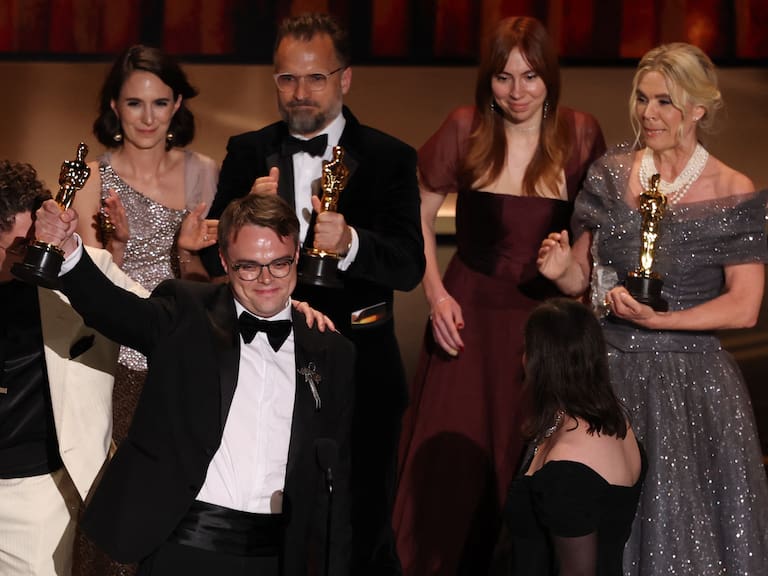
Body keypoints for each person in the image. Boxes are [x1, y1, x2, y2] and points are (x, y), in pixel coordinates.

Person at [198, 13, 424, 575]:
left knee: (364, 520)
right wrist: (237, 217)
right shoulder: (247, 152)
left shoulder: (391, 156)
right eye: (286, 79)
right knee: (273, 516)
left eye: (315, 78)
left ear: (345, 79)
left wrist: (351, 242)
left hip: (363, 365)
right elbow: (208, 256)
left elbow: (409, 266)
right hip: (260, 363)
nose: (299, 93)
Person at [537, 42, 768, 575]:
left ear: (699, 108)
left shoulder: (733, 190)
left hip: (694, 386)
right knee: (602, 528)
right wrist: (559, 271)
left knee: (683, 529)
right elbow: (583, 276)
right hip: (608, 375)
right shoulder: (611, 174)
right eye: (642, 99)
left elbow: (745, 307)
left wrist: (662, 321)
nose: (648, 113)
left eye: (665, 101)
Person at [35, 192, 355, 576]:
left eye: (279, 264)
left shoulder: (329, 350)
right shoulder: (188, 314)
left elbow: (337, 477)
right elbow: (114, 309)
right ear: (224, 261)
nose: (266, 280)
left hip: (276, 557)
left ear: (297, 257)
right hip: (184, 549)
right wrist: (68, 248)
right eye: (248, 267)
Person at [393, 16, 605, 575]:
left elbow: (585, 258)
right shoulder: (465, 127)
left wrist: (566, 276)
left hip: (543, 325)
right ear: (488, 80)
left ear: (550, 79)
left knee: (532, 460)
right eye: (504, 78)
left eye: (530, 77)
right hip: (466, 313)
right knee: (451, 463)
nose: (516, 92)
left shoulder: (581, 134)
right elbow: (415, 212)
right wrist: (435, 294)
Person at [70, 44, 219, 576]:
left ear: (178, 103)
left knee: (181, 502)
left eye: (160, 103)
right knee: (117, 499)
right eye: (135, 104)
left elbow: (212, 287)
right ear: (114, 106)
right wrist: (118, 248)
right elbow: (81, 288)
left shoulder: (206, 173)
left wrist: (187, 252)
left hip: (182, 357)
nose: (148, 118)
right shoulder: (91, 177)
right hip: (115, 358)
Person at [0, 160, 147, 576]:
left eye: (26, 243)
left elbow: (158, 319)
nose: (27, 254)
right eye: (12, 247)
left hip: (34, 496)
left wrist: (275, 309)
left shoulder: (83, 267)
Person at [493, 298, 645, 576]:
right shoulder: (616, 424)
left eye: (527, 349)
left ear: (543, 363)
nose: (522, 359)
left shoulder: (568, 470)